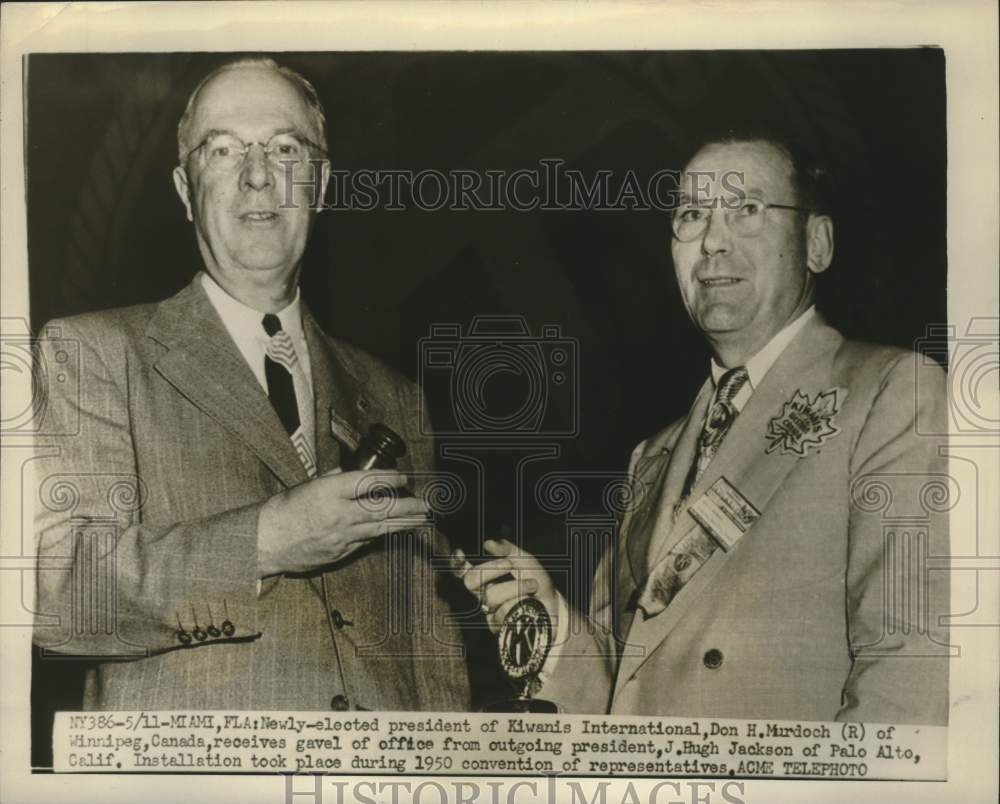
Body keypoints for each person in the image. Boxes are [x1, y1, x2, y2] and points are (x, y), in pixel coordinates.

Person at [467, 130, 950, 725]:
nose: (714, 242)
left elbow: (912, 669)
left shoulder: (893, 394)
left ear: (817, 243)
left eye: (746, 210)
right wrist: (558, 627)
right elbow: (623, 697)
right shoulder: (652, 456)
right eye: (692, 215)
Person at [32, 57, 470, 711]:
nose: (259, 176)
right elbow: (61, 600)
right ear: (185, 189)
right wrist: (264, 542)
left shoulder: (393, 396)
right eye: (224, 149)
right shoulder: (89, 353)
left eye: (286, 148)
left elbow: (429, 649)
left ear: (321, 183)